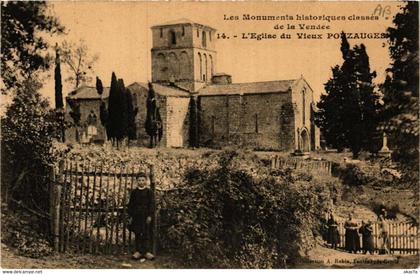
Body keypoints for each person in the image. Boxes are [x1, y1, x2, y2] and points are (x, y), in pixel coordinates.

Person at [127, 172, 154, 261]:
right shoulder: (134, 192)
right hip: (137, 216)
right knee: (138, 233)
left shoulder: (149, 192)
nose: (141, 182)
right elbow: (131, 204)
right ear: (136, 181)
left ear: (146, 181)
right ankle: (138, 251)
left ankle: (146, 252)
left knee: (146, 233)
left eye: (143, 180)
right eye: (139, 180)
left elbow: (152, 204)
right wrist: (131, 215)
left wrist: (150, 215)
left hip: (146, 216)